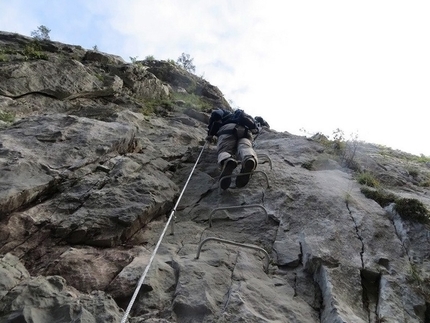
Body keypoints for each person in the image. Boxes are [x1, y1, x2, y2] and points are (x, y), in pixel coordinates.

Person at [206, 107, 260, 190]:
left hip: (228, 129)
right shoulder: (245, 117)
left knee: (224, 149)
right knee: (245, 146)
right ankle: (249, 158)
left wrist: (210, 133)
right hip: (246, 131)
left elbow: (216, 114)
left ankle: (227, 160)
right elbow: (255, 129)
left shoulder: (225, 112)